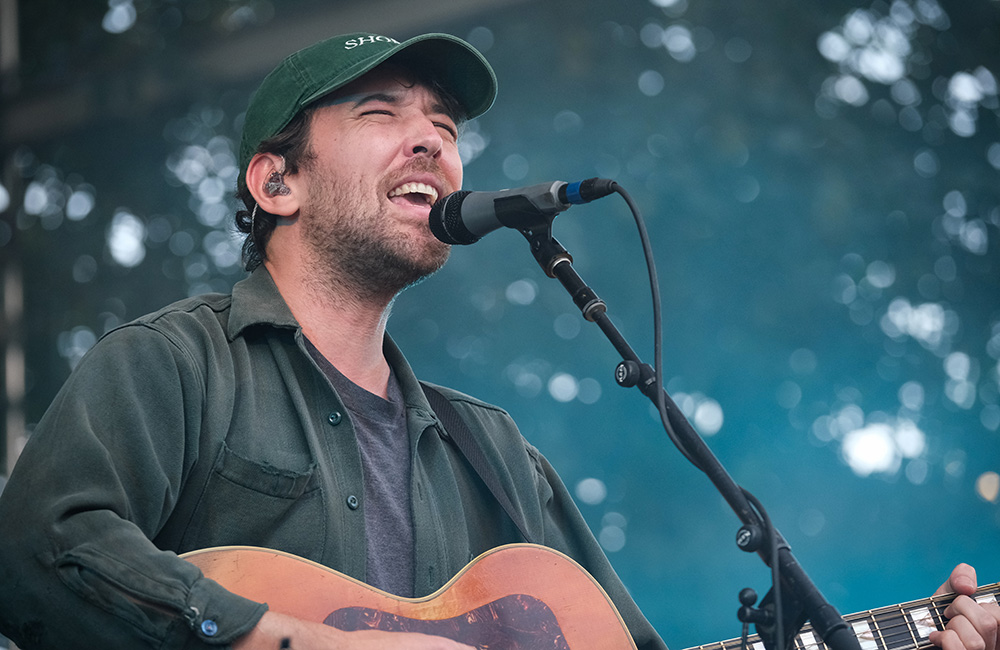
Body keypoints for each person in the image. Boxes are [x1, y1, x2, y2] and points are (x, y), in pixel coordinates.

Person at [0, 29, 995, 650]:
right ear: (277, 183)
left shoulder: (499, 457)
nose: (430, 137)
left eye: (442, 122)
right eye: (380, 111)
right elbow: (34, 550)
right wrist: (296, 638)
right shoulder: (174, 365)